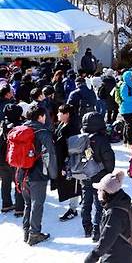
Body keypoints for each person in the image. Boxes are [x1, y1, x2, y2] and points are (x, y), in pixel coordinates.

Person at [20, 105, 57, 245]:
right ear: (40, 117)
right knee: (37, 204)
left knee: (27, 204)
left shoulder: (22, 129)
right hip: (38, 174)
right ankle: (34, 234)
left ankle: (26, 232)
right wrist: (53, 174)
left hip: (22, 172)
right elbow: (50, 155)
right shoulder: (43, 133)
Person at [84, 170, 132, 263]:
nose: (97, 192)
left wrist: (93, 256)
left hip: (117, 258)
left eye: (100, 190)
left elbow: (107, 239)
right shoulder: (120, 204)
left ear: (107, 192)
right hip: (123, 255)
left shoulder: (115, 213)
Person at [80, 112, 116, 242]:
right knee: (99, 203)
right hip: (99, 176)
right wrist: (108, 172)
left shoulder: (82, 137)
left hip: (84, 174)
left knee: (86, 202)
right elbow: (109, 159)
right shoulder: (101, 139)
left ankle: (86, 227)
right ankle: (97, 231)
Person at [53, 104, 82, 222]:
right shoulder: (62, 124)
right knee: (69, 183)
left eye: (60, 112)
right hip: (62, 160)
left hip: (69, 161)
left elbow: (73, 148)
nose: (58, 114)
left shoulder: (72, 128)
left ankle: (73, 209)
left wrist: (67, 163)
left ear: (67, 114)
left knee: (72, 183)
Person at [118, 70, 132, 145]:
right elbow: (125, 97)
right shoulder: (124, 85)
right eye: (131, 76)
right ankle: (129, 142)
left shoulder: (130, 85)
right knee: (130, 126)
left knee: (128, 125)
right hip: (126, 109)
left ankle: (126, 140)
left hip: (130, 108)